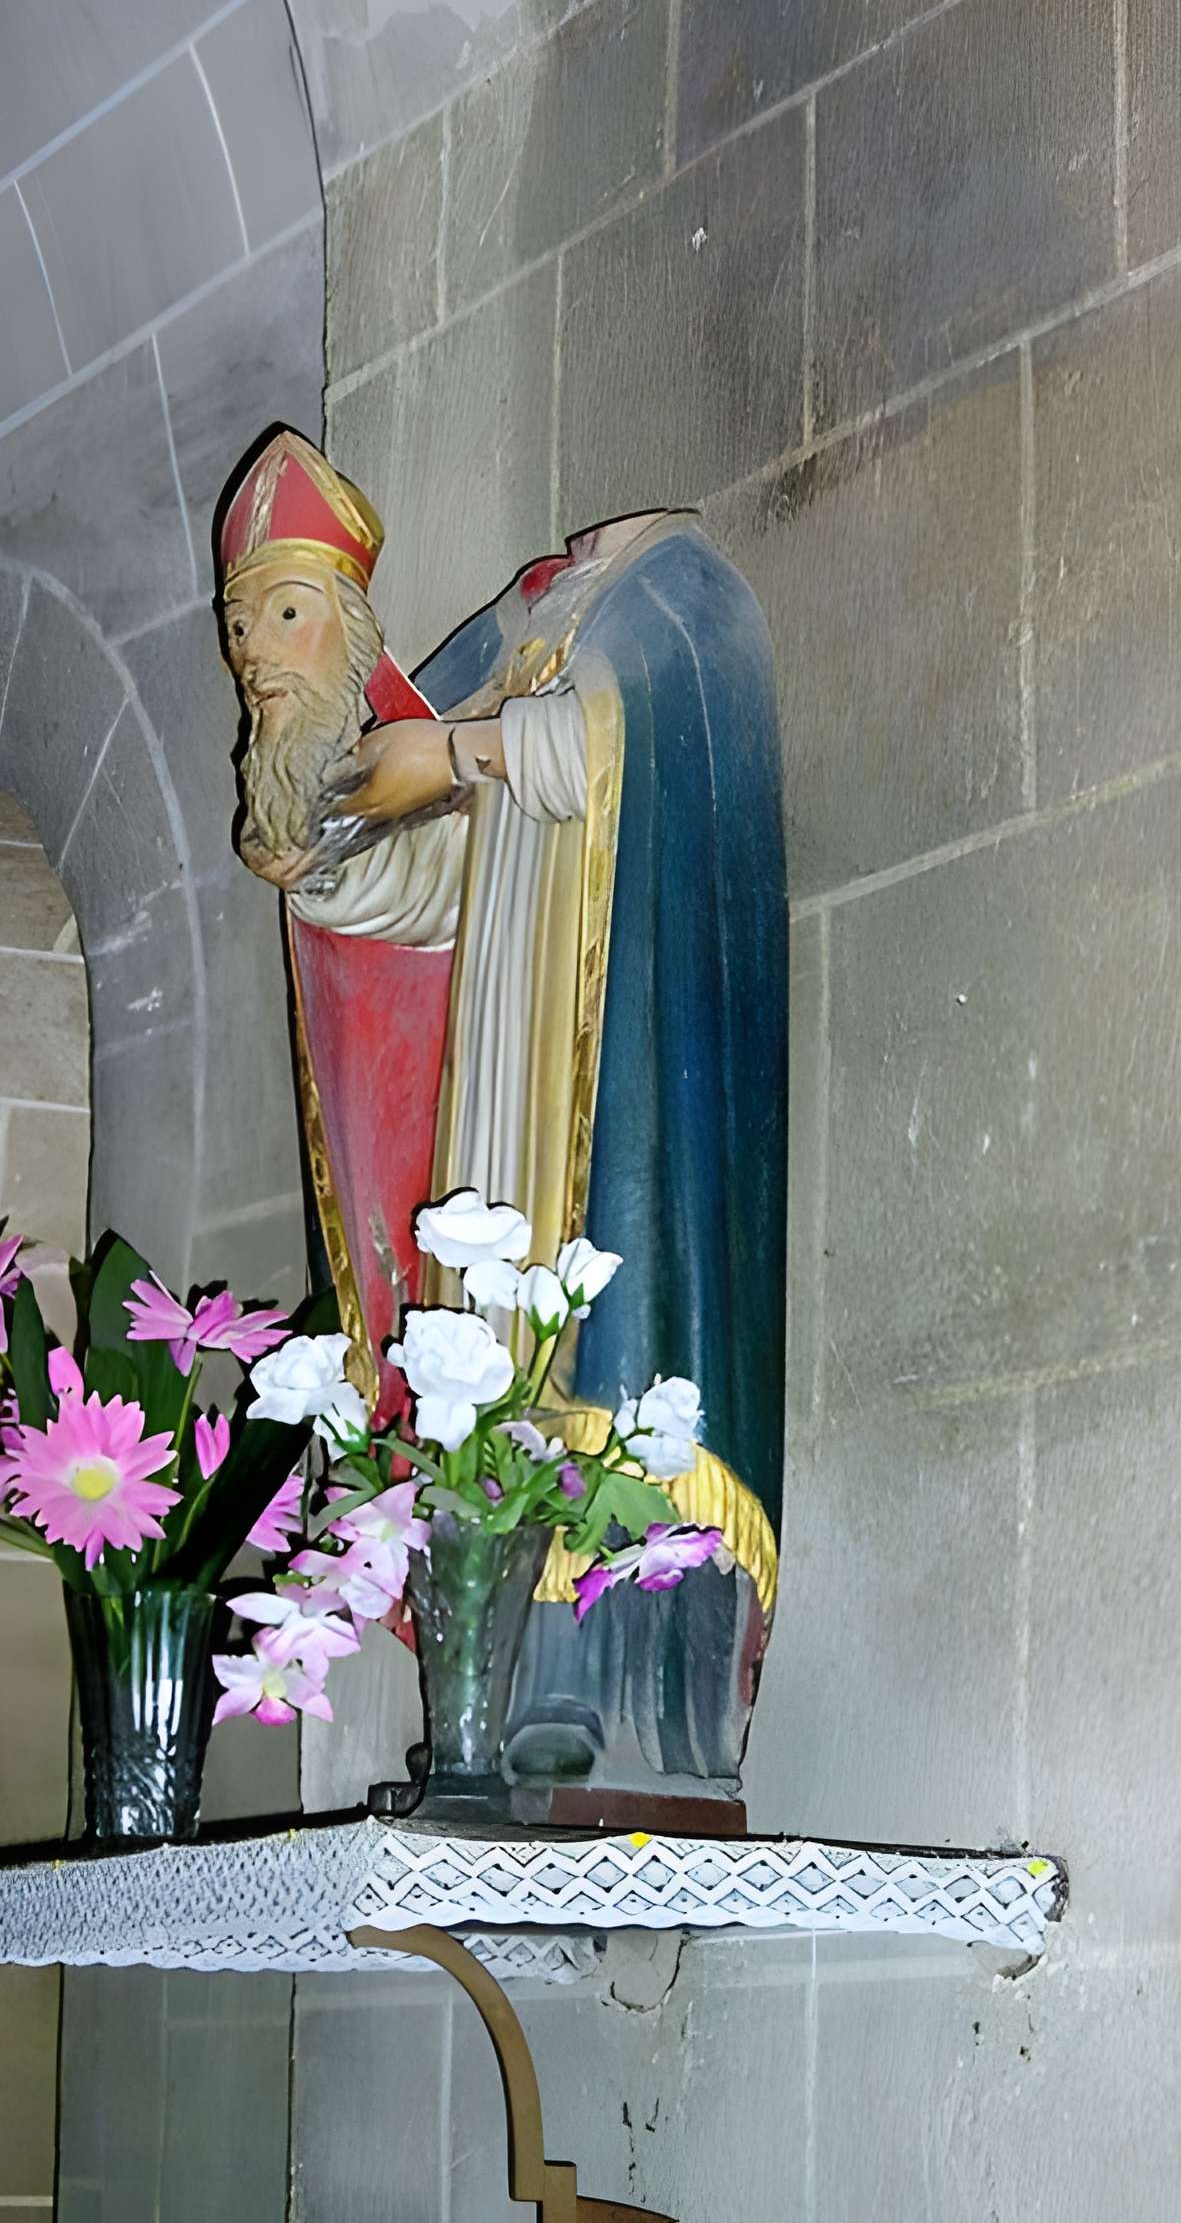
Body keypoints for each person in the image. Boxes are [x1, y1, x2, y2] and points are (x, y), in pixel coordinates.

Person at [218, 427, 787, 1795]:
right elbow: (431, 893)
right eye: (243, 634)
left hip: (628, 1083)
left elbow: (631, 741)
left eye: (279, 618)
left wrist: (459, 753)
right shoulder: (508, 638)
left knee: (613, 1354)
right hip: (503, 1095)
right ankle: (515, 1697)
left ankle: (634, 1697)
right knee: (503, 1383)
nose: (253, 655)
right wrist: (325, 867)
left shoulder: (676, 595)